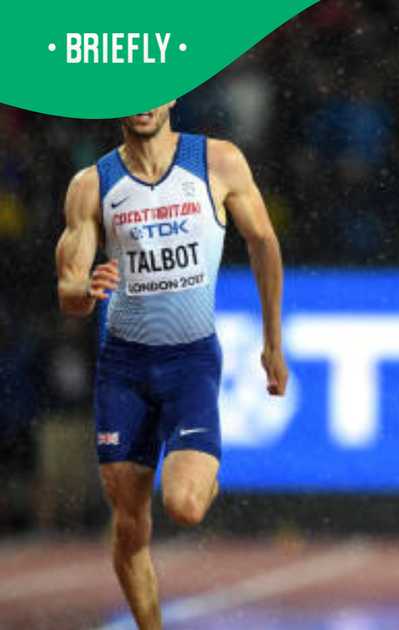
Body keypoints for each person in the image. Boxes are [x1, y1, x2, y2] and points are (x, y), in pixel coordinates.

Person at [54, 101, 287, 629]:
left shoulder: (218, 162)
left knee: (185, 505)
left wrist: (273, 342)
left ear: (173, 98)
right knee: (130, 522)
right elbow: (67, 285)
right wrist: (84, 290)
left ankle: (202, 473)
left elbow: (264, 242)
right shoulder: (91, 185)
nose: (141, 104)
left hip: (189, 361)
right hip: (125, 368)